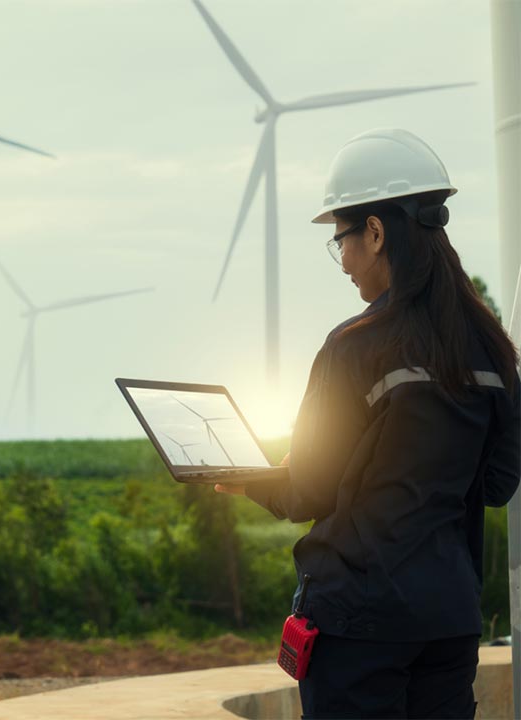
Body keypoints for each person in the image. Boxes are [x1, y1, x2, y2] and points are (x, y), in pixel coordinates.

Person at [216, 128, 520, 719]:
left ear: (376, 232)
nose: (345, 262)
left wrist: (253, 478)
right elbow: (496, 484)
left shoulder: (353, 348)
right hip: (449, 620)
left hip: (360, 622)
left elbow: (309, 490)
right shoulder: (492, 351)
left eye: (342, 242)